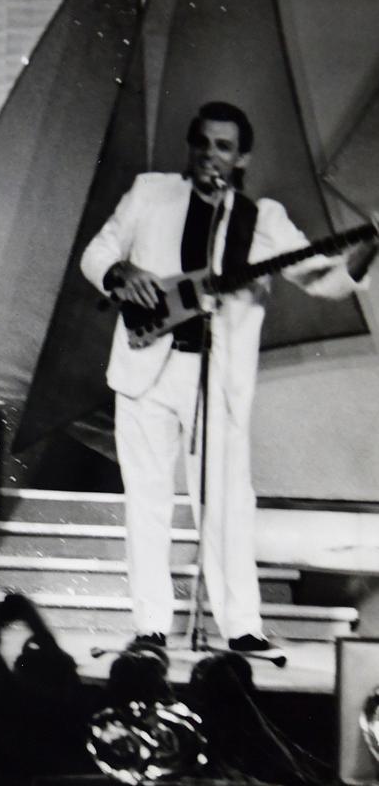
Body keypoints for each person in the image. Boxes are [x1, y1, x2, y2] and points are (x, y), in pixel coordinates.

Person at [81, 101, 376, 652]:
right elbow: (97, 252)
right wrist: (121, 271)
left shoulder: (262, 220)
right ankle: (150, 626)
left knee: (227, 503)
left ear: (242, 158)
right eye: (203, 143)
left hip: (216, 378)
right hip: (146, 369)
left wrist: (370, 245)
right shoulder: (150, 193)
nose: (210, 155)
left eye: (223, 147)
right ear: (190, 146)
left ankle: (240, 626)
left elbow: (326, 280)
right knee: (146, 499)